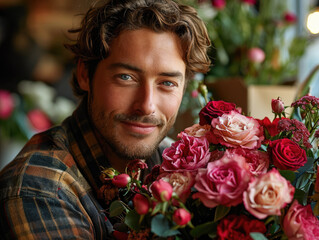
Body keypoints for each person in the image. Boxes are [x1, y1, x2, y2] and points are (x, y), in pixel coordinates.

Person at [0, 0, 211, 239]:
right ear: (84, 74)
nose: (146, 105)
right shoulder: (38, 190)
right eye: (126, 77)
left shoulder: (174, 161)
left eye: (167, 83)